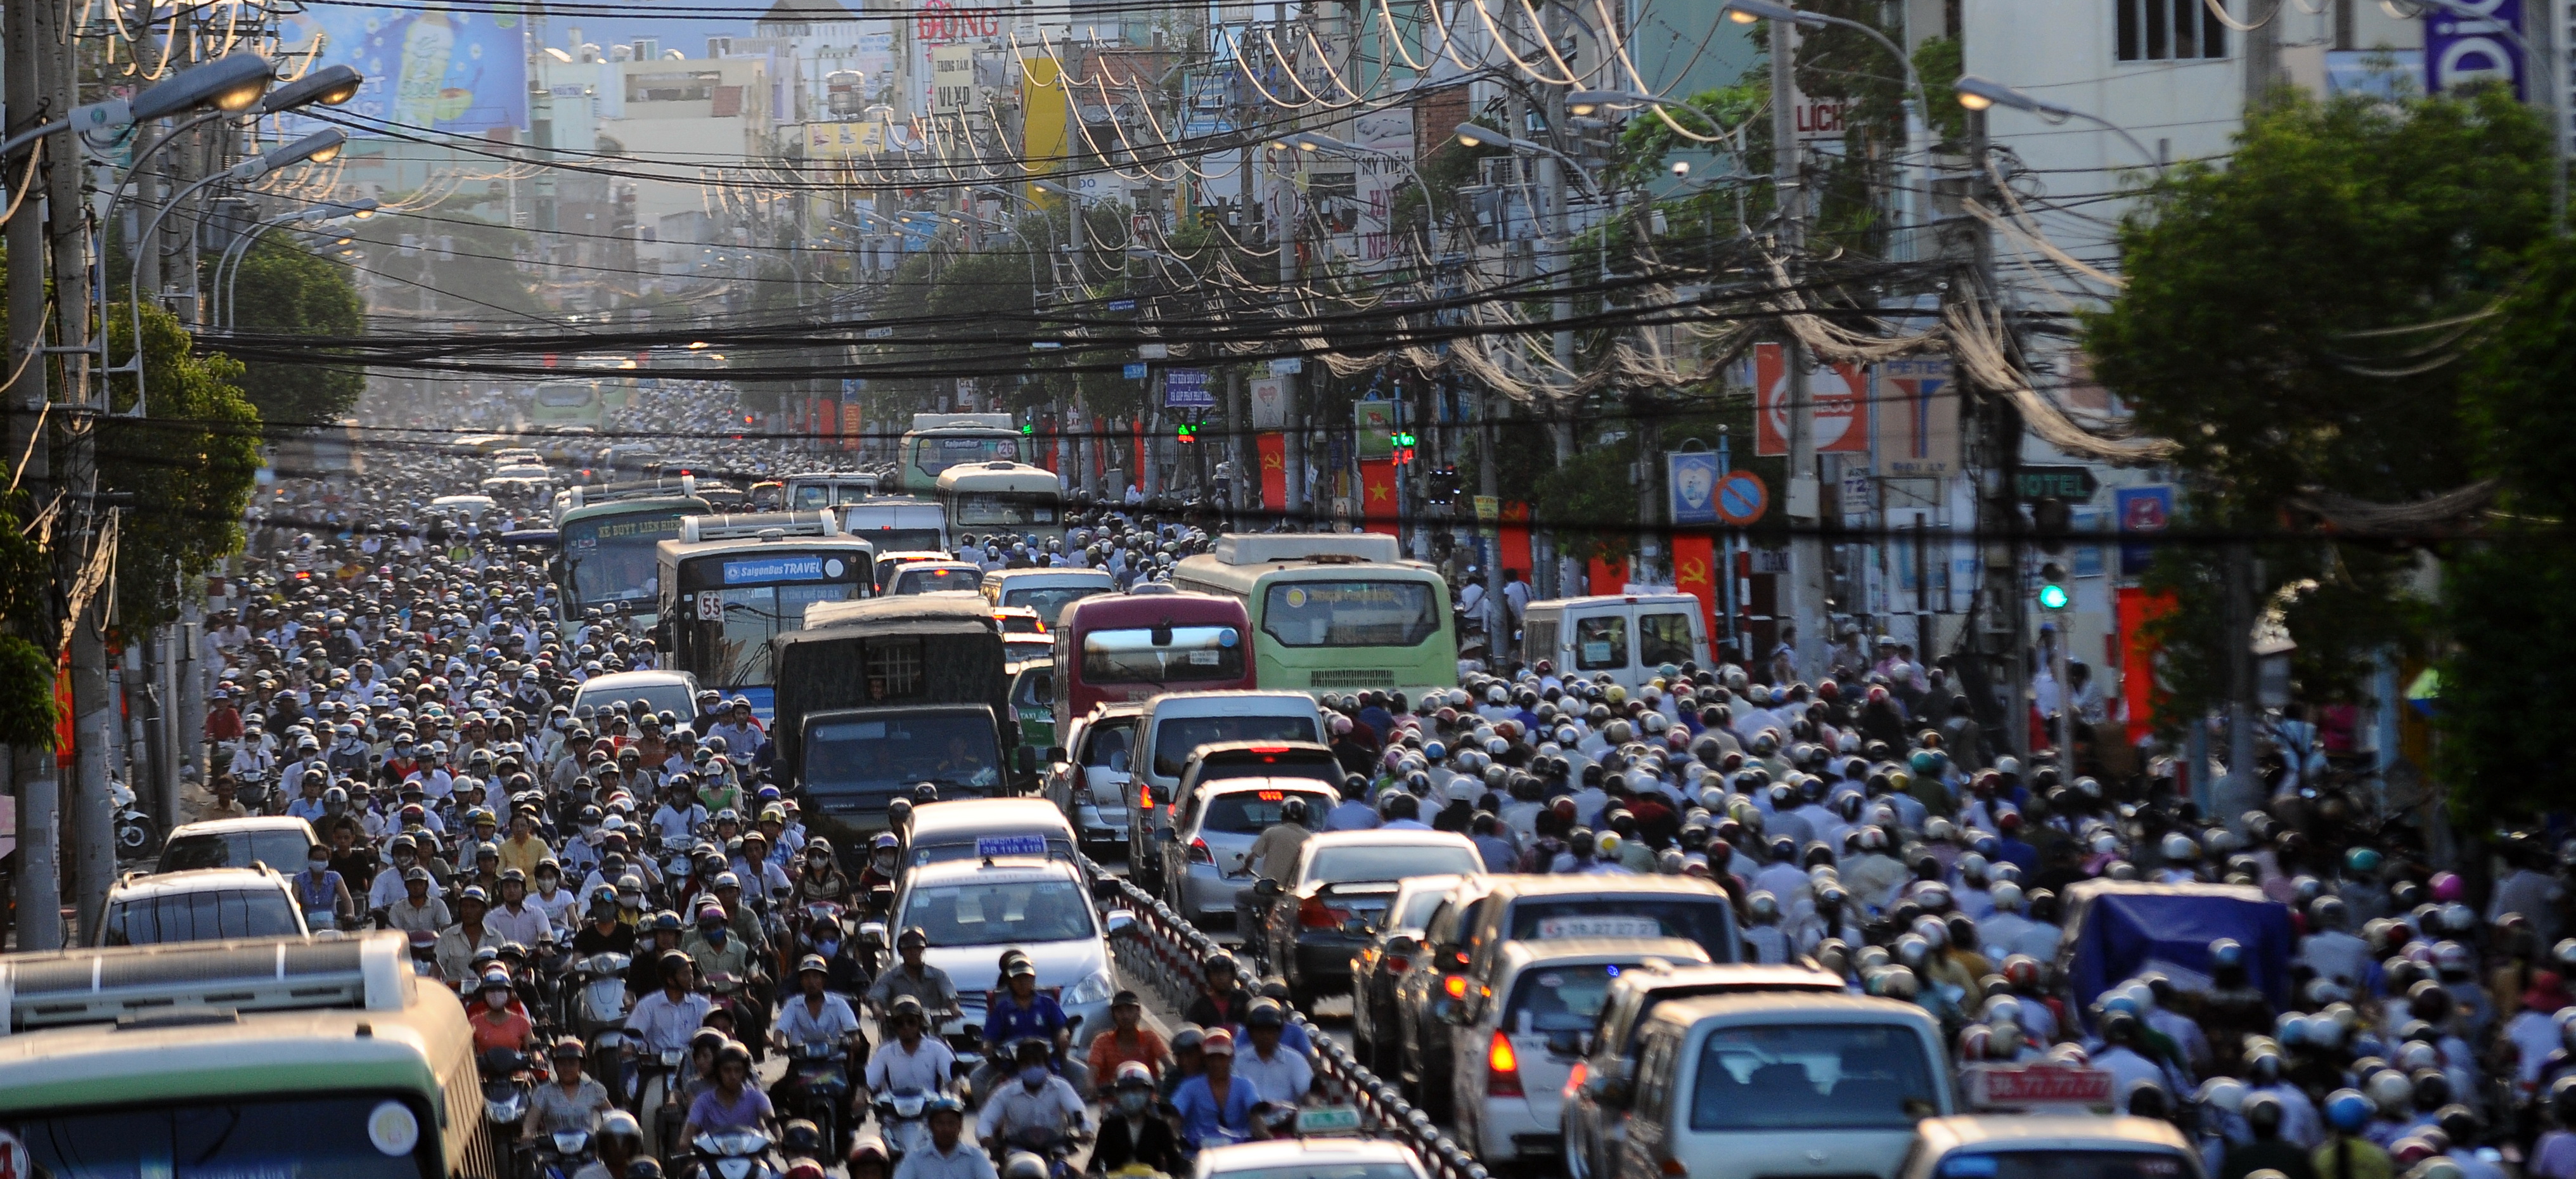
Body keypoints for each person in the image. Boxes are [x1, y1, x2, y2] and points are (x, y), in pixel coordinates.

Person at [976, 1039, 1088, 1155]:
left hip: (1056, 1151)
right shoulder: (1005, 1093)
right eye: (1027, 1064)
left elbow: (1078, 1112)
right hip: (1017, 1153)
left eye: (1037, 1063)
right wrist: (985, 1136)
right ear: (1019, 1067)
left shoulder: (1061, 1087)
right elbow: (987, 1120)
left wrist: (1086, 1130)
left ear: (1046, 1065)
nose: (1032, 1068)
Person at [1169, 1028, 1258, 1150]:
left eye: (1222, 1057)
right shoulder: (1189, 1086)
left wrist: (1263, 1134)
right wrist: (1173, 1137)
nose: (1217, 1063)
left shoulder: (1245, 1085)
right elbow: (1175, 1116)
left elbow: (1256, 1114)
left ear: (1231, 1057)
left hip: (1239, 1152)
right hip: (1197, 1153)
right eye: (1212, 1058)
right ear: (1205, 1059)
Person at [1235, 798, 1311, 938]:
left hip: (1269, 892)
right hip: (1294, 894)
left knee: (1240, 897)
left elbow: (1252, 857)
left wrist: (1245, 868)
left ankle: (1249, 939)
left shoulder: (1271, 832)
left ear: (1283, 815)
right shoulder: (1310, 838)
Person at [1092, 1062, 1184, 1176]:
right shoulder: (1108, 1127)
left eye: (1136, 1090)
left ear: (1149, 1093)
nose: (1130, 1095)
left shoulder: (1160, 1127)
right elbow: (1094, 1165)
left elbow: (1175, 1165)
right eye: (1124, 1090)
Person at [865, 996, 958, 1098]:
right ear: (894, 1026)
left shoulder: (937, 1049)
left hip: (930, 1106)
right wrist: (861, 1096)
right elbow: (868, 1082)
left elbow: (954, 1080)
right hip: (894, 1107)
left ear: (920, 1023)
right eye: (900, 1023)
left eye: (911, 1022)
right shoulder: (885, 1052)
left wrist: (955, 1096)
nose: (906, 1027)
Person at [681, 1041, 775, 1143]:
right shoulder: (703, 1101)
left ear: (744, 1073)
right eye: (727, 1070)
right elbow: (691, 1126)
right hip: (713, 1152)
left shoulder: (757, 1096)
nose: (733, 1076)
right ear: (718, 1073)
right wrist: (684, 1141)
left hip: (753, 1152)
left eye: (738, 1070)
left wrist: (779, 1137)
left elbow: (770, 1119)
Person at [529, 1036, 615, 1141]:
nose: (567, 1068)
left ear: (581, 1066)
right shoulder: (544, 1092)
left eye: (572, 1064)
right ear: (555, 1066)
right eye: (562, 1064)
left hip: (588, 1148)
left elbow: (612, 1118)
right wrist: (527, 1134)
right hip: (553, 1150)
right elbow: (531, 1121)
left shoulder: (594, 1090)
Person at [891, 1095, 995, 1179]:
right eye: (940, 1123)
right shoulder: (915, 1160)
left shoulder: (976, 1158)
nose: (946, 1129)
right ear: (931, 1126)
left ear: (960, 1126)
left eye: (951, 1123)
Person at [1085, 990, 1171, 1092]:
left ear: (1138, 1012)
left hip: (1148, 1096)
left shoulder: (1150, 1037)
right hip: (1112, 1098)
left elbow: (1169, 1063)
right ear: (1113, 1015)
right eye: (1120, 1011)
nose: (1125, 1016)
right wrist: (1091, 1085)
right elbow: (1092, 1070)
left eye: (1130, 1010)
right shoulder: (1102, 1041)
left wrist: (1172, 1078)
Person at [1231, 1000, 1311, 1103]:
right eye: (1260, 1031)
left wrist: (1313, 1103)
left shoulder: (1295, 1060)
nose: (1265, 1036)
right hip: (1248, 1112)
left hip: (1286, 1112)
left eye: (1270, 1031)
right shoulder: (1238, 1061)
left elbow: (1307, 1093)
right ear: (1251, 1033)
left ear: (1279, 1032)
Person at [868, 928, 961, 1014]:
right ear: (901, 952)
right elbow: (877, 996)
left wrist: (954, 1007)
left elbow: (949, 993)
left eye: (917, 948)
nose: (913, 953)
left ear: (923, 950)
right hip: (899, 1024)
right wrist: (877, 1008)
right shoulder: (891, 978)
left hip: (933, 1024)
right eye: (908, 950)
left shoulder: (938, 975)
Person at [470, 970, 536, 1055]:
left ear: (509, 994)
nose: (496, 994)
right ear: (484, 995)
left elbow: (534, 1051)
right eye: (491, 990)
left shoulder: (521, 1022)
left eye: (500, 989)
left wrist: (537, 1058)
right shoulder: (475, 1022)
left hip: (514, 1064)